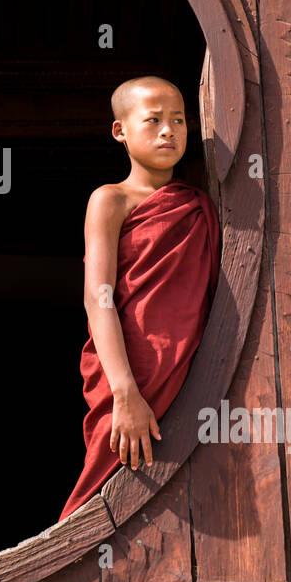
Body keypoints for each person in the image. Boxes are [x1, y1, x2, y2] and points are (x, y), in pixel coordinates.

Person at [57, 75, 220, 522]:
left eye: (179, 121)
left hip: (191, 370)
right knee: (101, 499)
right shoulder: (110, 200)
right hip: (130, 370)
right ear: (121, 130)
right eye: (153, 120)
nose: (169, 130)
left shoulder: (199, 205)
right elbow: (98, 297)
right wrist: (125, 391)